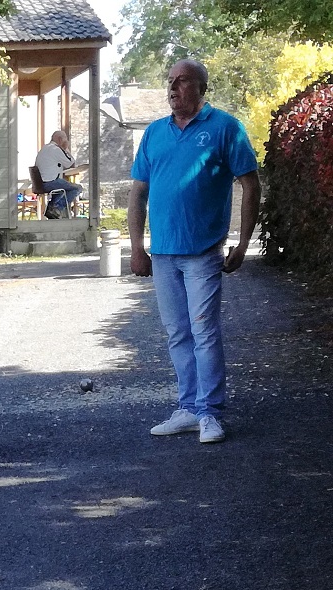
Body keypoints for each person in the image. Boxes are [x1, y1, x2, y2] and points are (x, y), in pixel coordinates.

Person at [129, 58, 260, 445]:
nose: (173, 88)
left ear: (202, 88)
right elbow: (138, 193)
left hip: (204, 250)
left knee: (204, 332)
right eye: (170, 81)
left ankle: (211, 413)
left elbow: (251, 185)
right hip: (164, 253)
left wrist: (245, 242)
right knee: (177, 333)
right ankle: (188, 407)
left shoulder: (225, 128)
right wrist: (137, 247)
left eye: (183, 81)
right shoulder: (154, 134)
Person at [34, 130, 83, 219]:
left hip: (41, 183)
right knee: (77, 188)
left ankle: (51, 210)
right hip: (50, 182)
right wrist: (66, 149)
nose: (66, 142)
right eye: (65, 139)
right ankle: (57, 208)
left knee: (62, 187)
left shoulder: (45, 148)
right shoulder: (56, 149)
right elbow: (70, 163)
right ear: (60, 139)